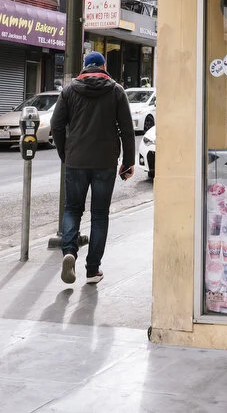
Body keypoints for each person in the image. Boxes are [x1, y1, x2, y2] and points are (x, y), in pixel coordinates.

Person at [53, 51, 136, 285]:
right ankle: (92, 270)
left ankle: (69, 251)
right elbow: (127, 131)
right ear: (103, 66)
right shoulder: (116, 90)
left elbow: (57, 125)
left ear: (85, 67)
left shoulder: (69, 90)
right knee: (99, 215)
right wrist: (128, 162)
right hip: (105, 162)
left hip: (76, 160)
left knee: (72, 209)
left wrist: (64, 153)